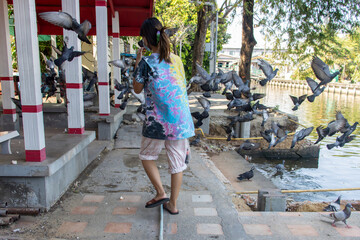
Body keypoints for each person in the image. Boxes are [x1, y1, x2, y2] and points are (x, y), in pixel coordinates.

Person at [132, 17, 195, 215]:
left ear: (146, 39)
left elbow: (136, 87)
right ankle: (173, 205)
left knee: (146, 156)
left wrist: (137, 62)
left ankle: (161, 193)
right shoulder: (176, 60)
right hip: (180, 121)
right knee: (177, 164)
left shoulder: (146, 63)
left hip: (158, 123)